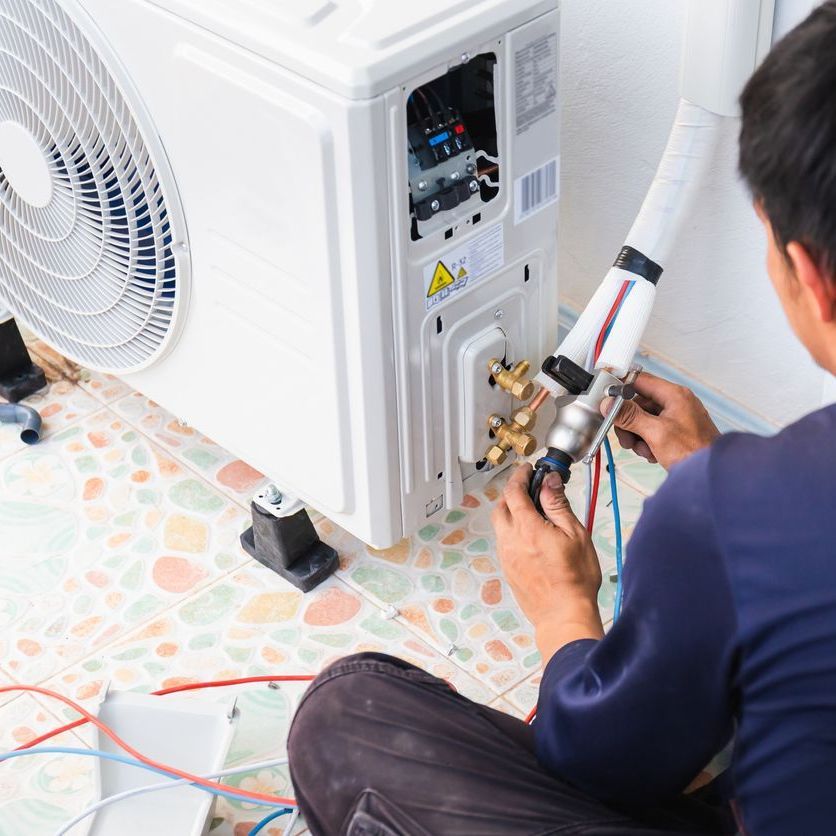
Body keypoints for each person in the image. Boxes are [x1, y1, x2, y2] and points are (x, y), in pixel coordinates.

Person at [287, 4, 836, 834]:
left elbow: (606, 763)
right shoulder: (757, 504)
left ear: (810, 276)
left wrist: (561, 609)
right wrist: (729, 486)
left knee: (345, 714)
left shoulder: (737, 513)